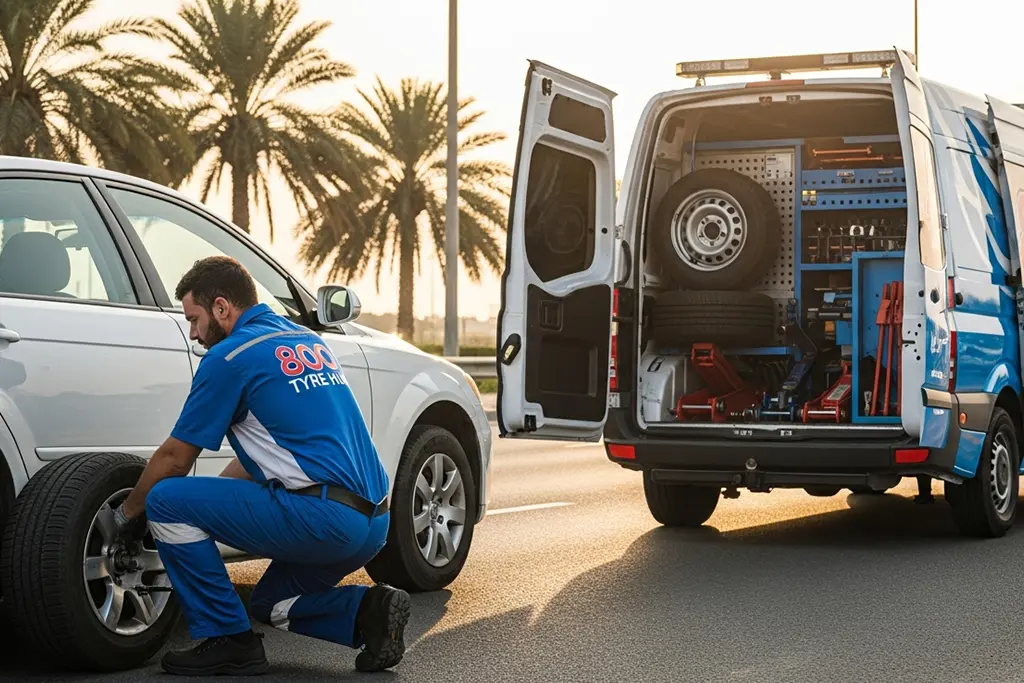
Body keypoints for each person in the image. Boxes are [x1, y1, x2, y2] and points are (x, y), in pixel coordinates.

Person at [112, 255, 409, 676]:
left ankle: (229, 641)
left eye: (194, 319)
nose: (194, 336)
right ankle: (369, 611)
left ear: (221, 307)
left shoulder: (230, 357)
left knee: (166, 500)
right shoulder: (305, 339)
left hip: (325, 520)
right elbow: (267, 456)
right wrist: (212, 512)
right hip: (374, 520)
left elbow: (175, 458)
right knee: (271, 604)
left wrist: (128, 515)